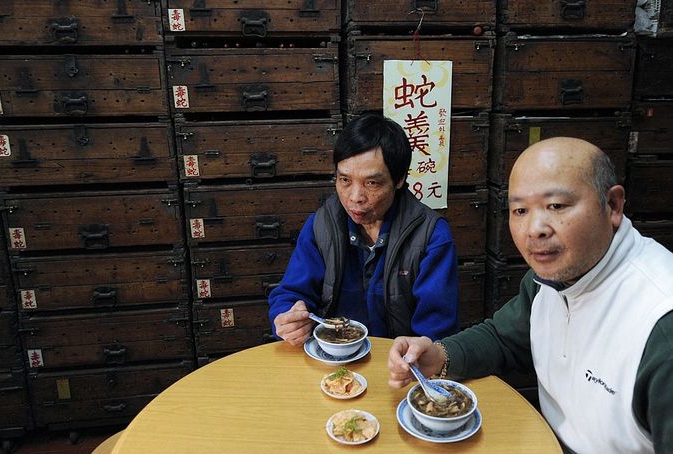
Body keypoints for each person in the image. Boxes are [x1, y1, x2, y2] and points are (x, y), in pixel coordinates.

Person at [387, 137, 673, 453]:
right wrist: (438, 356)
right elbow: (503, 338)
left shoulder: (661, 325)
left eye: (556, 206)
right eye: (520, 210)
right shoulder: (548, 280)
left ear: (613, 206)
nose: (534, 229)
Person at [268, 113, 459, 346]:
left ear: (399, 180)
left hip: (400, 366)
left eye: (372, 183)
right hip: (332, 361)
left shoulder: (431, 236)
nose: (355, 198)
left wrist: (417, 355)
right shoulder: (322, 226)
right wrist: (289, 316)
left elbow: (436, 331)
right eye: (345, 180)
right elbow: (290, 293)